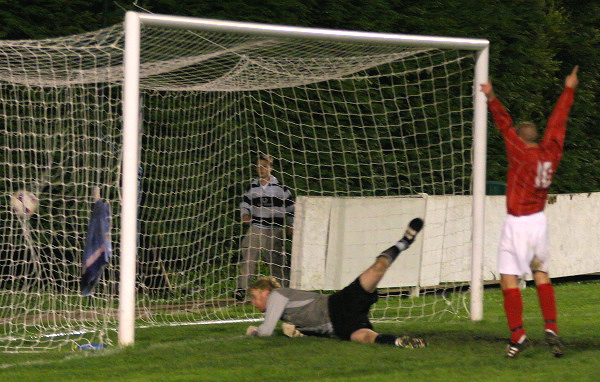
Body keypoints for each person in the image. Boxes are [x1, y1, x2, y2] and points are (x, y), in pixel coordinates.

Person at [480, 66, 579, 358]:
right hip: (539, 221)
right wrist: (569, 88)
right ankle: (551, 327)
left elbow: (503, 124)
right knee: (541, 272)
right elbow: (558, 123)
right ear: (536, 137)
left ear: (520, 140)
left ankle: (518, 335)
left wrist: (491, 97)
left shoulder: (519, 151)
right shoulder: (551, 151)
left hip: (518, 223)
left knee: (508, 277)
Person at [245, 218, 427, 349]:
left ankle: (403, 242)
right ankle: (401, 341)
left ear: (266, 292)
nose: (253, 302)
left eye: (254, 296)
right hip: (337, 326)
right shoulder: (285, 311)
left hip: (339, 303)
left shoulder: (278, 295)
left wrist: (254, 332)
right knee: (366, 338)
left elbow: (266, 331)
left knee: (377, 268)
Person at [235, 153, 295, 302]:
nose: (261, 169)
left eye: (264, 166)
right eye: (259, 166)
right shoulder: (253, 186)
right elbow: (245, 203)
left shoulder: (281, 187)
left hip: (275, 229)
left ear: (271, 168)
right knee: (248, 257)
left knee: (276, 261)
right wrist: (245, 214)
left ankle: (283, 290)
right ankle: (241, 290)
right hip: (257, 227)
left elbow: (291, 208)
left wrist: (290, 224)